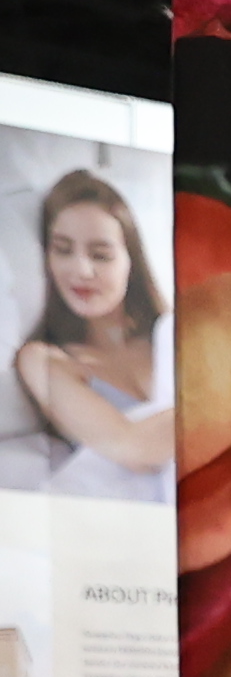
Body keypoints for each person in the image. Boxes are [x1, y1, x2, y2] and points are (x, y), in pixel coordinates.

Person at [17, 167, 166, 501]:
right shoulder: (43, 359)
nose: (81, 271)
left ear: (131, 260)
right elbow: (131, 448)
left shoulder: (167, 337)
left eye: (100, 255)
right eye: (62, 250)